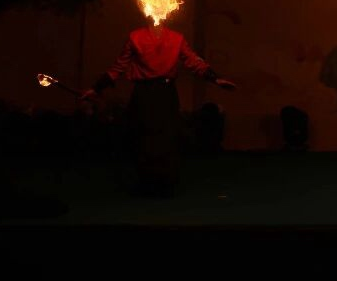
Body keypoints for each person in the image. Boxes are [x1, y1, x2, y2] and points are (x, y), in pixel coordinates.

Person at [82, 23, 235, 195]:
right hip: (144, 94)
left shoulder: (176, 39)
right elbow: (118, 67)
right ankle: (146, 183)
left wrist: (215, 78)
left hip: (165, 94)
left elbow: (194, 62)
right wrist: (96, 88)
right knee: (143, 138)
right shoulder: (136, 37)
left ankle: (164, 184)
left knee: (166, 138)